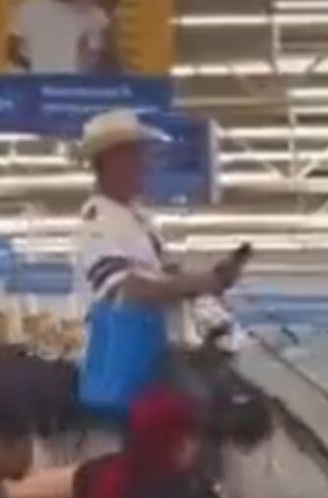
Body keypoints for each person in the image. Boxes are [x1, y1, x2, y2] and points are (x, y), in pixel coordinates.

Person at [74, 108, 248, 422]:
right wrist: (199, 283)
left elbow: (160, 276)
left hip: (158, 345)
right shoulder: (98, 221)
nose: (146, 165)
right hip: (127, 355)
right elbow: (127, 286)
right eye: (137, 157)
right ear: (112, 161)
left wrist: (208, 280)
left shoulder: (140, 218)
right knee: (197, 403)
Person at [75, 386, 223, 498]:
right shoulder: (183, 497)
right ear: (177, 444)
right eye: (190, 438)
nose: (196, 447)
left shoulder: (98, 473)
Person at [9, 0, 115, 74]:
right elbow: (12, 50)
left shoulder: (97, 19)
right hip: (35, 92)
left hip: (74, 94)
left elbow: (107, 67)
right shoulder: (28, 10)